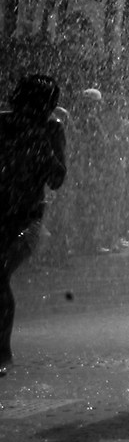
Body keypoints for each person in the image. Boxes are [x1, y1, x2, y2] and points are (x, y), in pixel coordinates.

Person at [0, 75, 68, 375]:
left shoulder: (51, 130)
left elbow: (56, 179)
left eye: (44, 107)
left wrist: (41, 146)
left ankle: (2, 353)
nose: (38, 112)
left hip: (28, 220)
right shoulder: (2, 124)